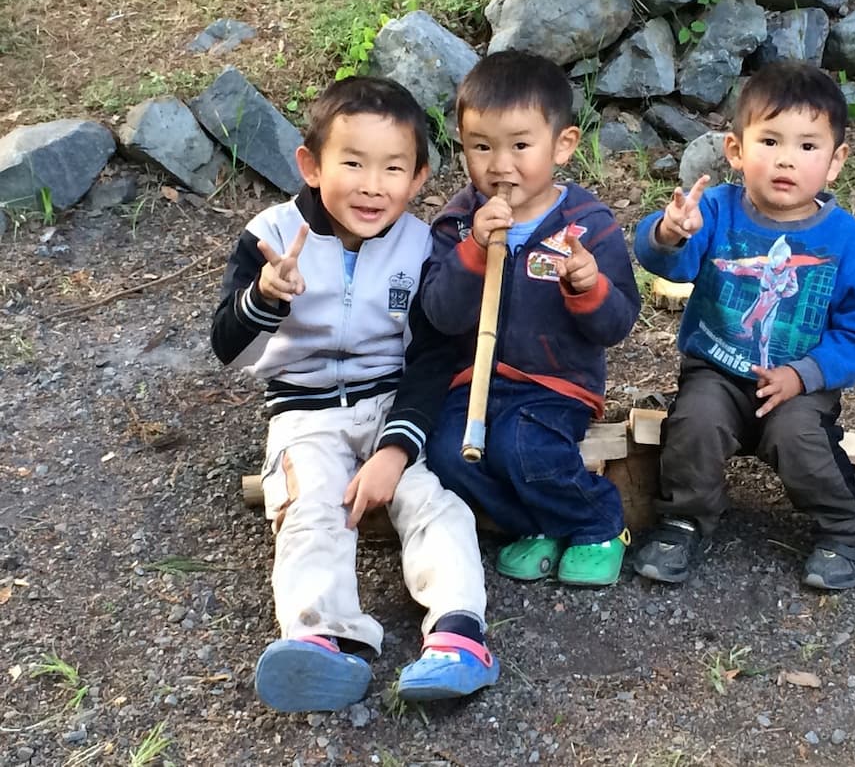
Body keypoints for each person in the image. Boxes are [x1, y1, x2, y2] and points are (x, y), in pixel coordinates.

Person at [211, 76, 498, 713]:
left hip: (388, 402)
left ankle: (458, 633)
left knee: (433, 503)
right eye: (352, 163)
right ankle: (318, 638)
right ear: (311, 166)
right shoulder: (271, 234)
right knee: (312, 507)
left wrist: (396, 447)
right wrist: (261, 297)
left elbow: (432, 356)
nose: (373, 185)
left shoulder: (421, 245)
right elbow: (225, 344)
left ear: (419, 177)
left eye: (393, 167)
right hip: (302, 411)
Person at [632, 61, 855, 591]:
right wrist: (669, 231)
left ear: (835, 160)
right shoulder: (715, 211)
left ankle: (847, 527)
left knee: (800, 437)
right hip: (718, 368)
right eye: (769, 140)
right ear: (736, 150)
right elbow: (669, 265)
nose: (785, 159)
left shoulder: (848, 245)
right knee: (695, 421)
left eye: (806, 146)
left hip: (798, 385)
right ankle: (684, 518)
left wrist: (806, 374)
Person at [422, 50, 641, 587]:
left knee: (524, 444)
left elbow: (617, 324)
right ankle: (537, 525)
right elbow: (439, 315)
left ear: (562, 145)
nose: (500, 165)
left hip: (555, 383)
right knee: (449, 455)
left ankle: (598, 523)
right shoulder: (456, 223)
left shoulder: (585, 226)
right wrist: (474, 250)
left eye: (521, 146)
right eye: (481, 147)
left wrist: (589, 289)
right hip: (472, 382)